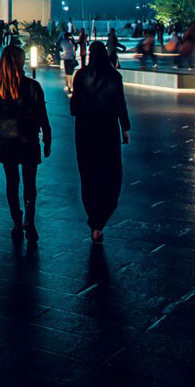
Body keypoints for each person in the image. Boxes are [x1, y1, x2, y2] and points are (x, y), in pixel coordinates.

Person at [0, 39, 52, 244]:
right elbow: (43, 115)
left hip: (6, 139)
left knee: (11, 181)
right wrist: (47, 139)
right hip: (29, 138)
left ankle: (16, 221)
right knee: (30, 182)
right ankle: (29, 222)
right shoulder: (32, 86)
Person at [68, 41, 130, 241]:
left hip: (85, 130)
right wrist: (125, 129)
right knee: (111, 174)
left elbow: (74, 106)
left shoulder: (80, 75)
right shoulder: (114, 76)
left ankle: (93, 218)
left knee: (88, 174)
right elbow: (120, 103)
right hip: (107, 130)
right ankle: (101, 220)